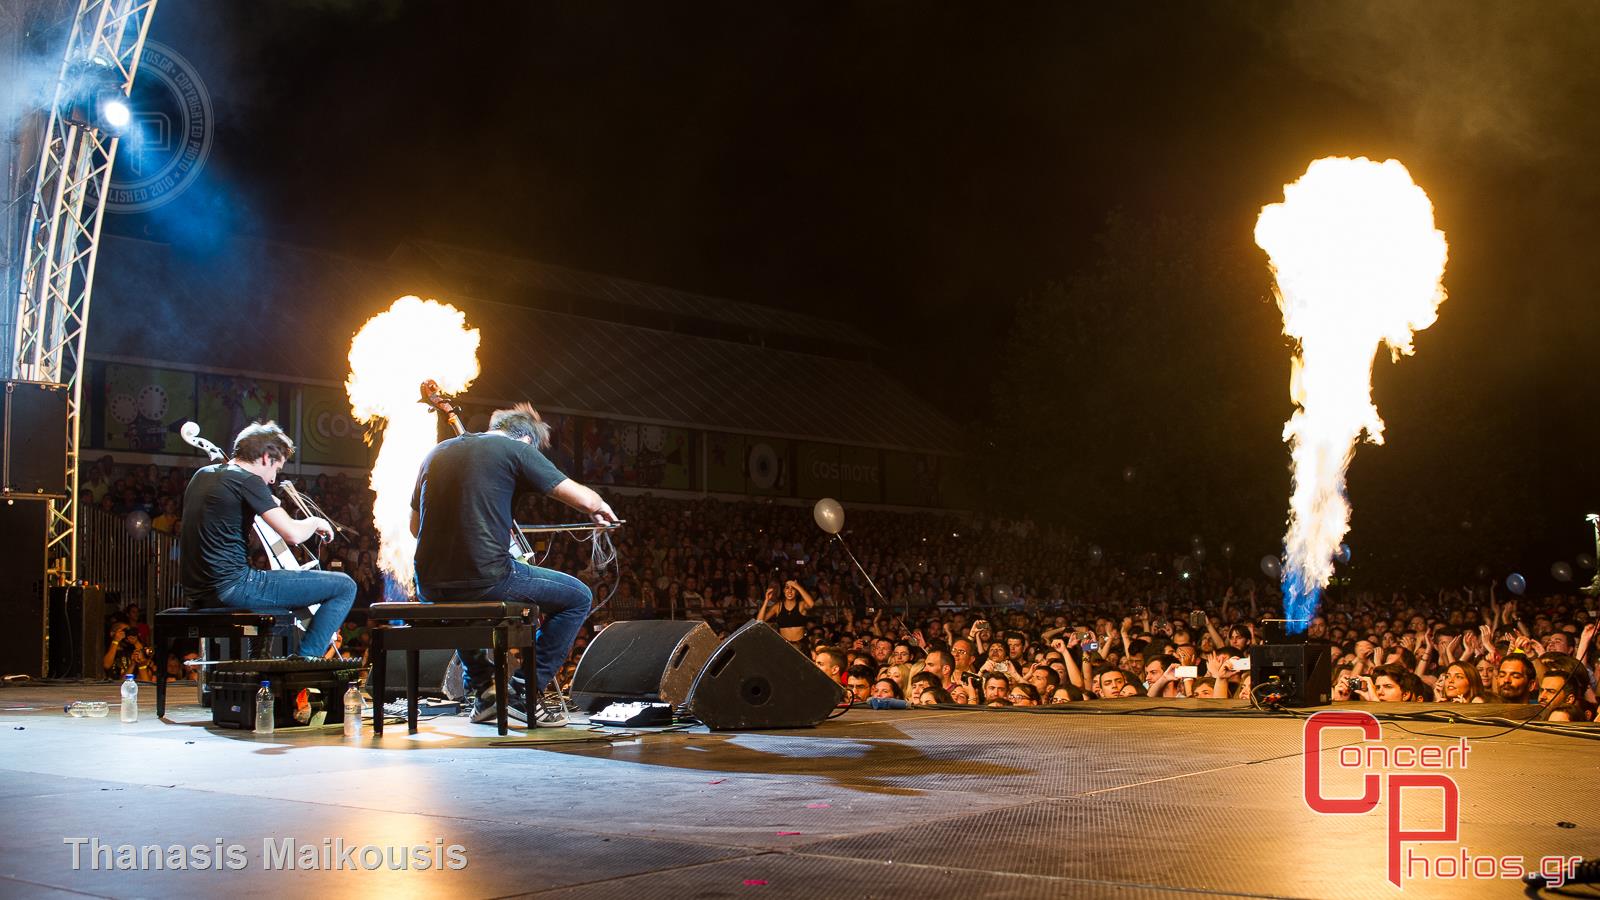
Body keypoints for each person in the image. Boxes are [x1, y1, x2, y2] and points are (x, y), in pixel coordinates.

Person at [410, 403, 618, 728]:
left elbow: (414, 527)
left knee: (461, 604)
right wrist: (600, 507)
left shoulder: (436, 452)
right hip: (487, 576)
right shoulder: (516, 448)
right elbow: (584, 500)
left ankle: (485, 693)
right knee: (577, 597)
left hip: (428, 584)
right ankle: (524, 691)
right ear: (525, 438)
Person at [179, 422, 354, 659]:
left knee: (273, 604)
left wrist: (262, 503)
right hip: (233, 587)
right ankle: (304, 662)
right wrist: (314, 522)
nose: (273, 479)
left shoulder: (202, 476)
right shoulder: (248, 480)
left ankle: (258, 668)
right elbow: (292, 534)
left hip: (197, 592)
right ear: (265, 457)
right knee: (344, 586)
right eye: (276, 469)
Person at [758, 579, 815, 647]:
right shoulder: (777, 606)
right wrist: (766, 600)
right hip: (784, 645)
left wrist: (797, 586)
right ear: (784, 591)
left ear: (797, 592)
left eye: (793, 589)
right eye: (787, 588)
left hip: (801, 645)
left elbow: (811, 604)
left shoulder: (801, 605)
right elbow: (759, 621)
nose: (790, 591)